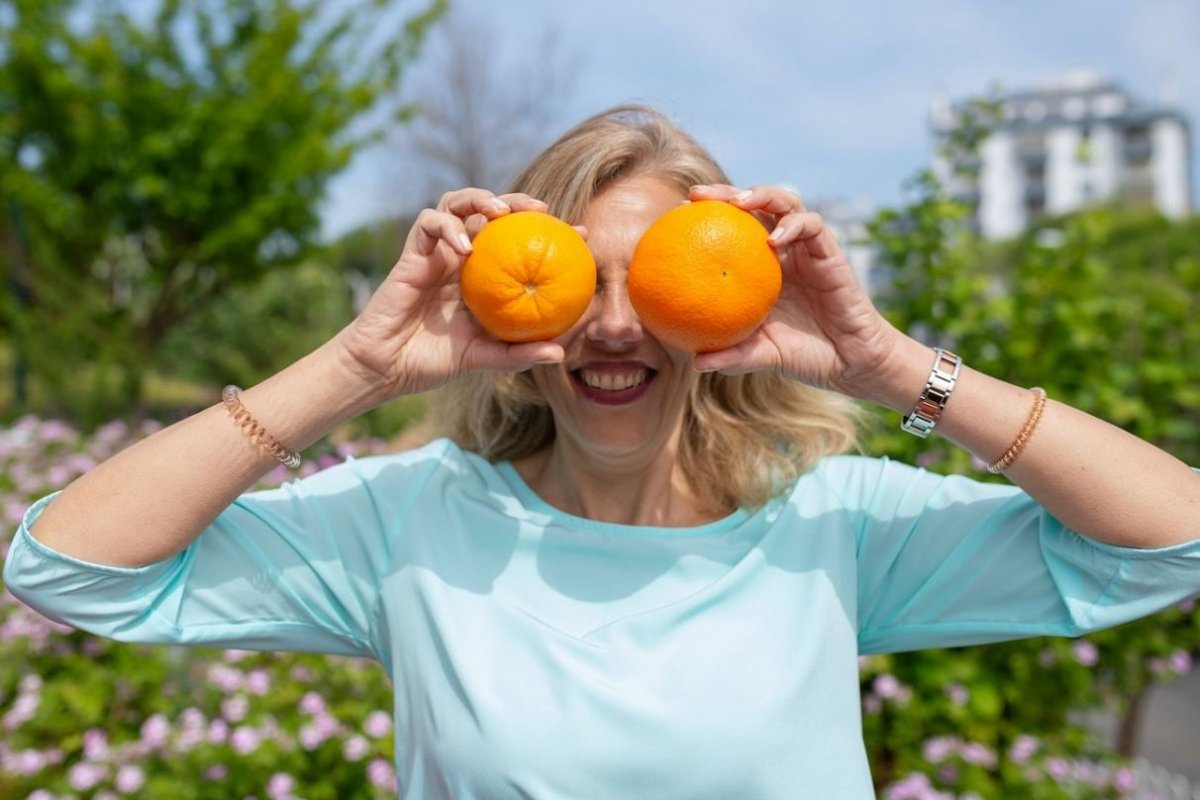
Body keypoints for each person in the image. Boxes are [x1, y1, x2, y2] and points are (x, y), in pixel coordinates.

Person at [4, 104, 1199, 799]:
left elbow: (1172, 539)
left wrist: (892, 366)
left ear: (730, 298)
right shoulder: (407, 524)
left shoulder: (837, 526)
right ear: (508, 287)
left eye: (656, 283)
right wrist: (356, 366)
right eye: (580, 279)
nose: (618, 326)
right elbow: (65, 565)